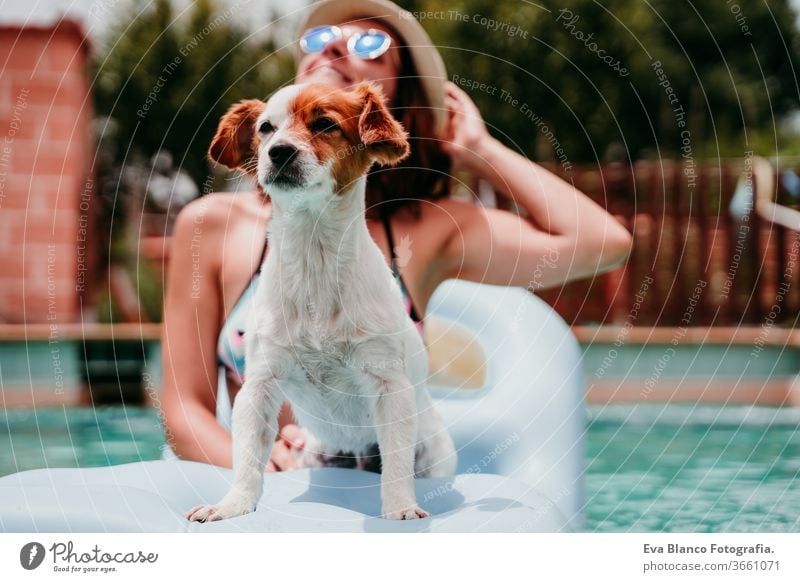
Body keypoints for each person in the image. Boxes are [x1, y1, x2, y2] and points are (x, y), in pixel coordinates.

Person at [161, 0, 632, 471]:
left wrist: (480, 149)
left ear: (389, 104)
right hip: (269, 498)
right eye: (319, 41)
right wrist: (262, 473)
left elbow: (603, 243)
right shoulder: (213, 225)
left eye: (371, 45)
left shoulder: (429, 230)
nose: (336, 49)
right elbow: (185, 411)